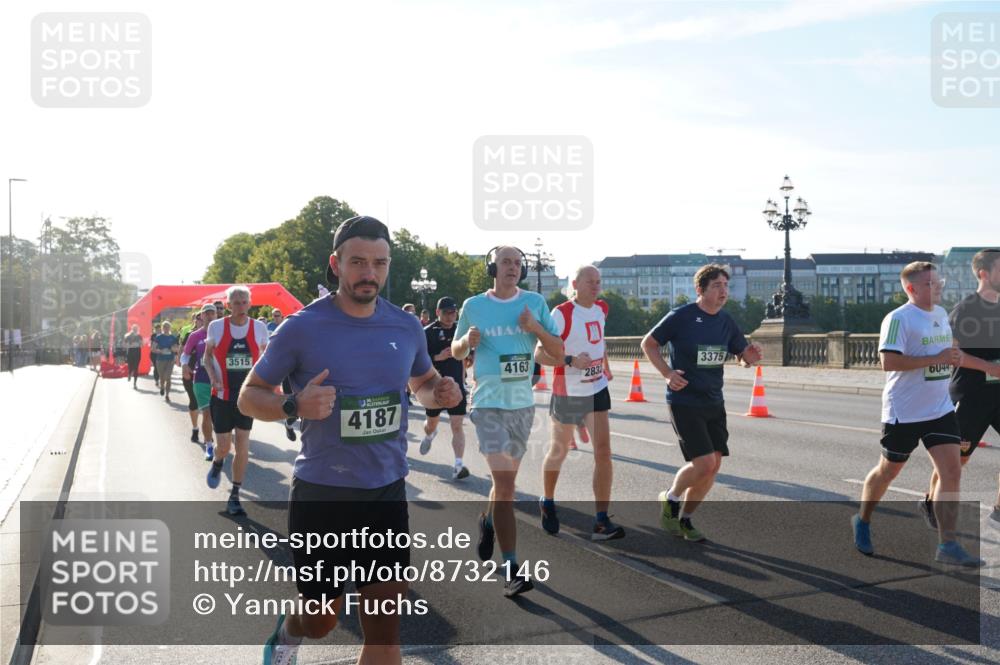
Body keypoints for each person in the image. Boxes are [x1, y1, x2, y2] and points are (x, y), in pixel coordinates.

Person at [239, 216, 461, 665]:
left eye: (379, 263)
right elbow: (249, 396)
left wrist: (437, 391)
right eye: (357, 262)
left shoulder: (404, 326)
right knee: (321, 620)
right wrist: (293, 405)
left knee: (384, 632)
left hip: (385, 490)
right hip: (323, 494)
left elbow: (421, 380)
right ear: (336, 264)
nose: (369, 273)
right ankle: (288, 631)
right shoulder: (302, 327)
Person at [852, 261, 983, 566]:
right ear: (911, 288)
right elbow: (888, 362)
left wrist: (951, 357)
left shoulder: (939, 314)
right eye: (930, 284)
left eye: (938, 282)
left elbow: (944, 353)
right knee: (888, 471)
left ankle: (947, 544)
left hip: (940, 409)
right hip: (904, 412)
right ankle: (863, 519)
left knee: (952, 471)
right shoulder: (898, 319)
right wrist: (935, 357)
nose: (937, 287)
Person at [452, 246, 564, 598]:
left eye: (518, 263)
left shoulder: (534, 304)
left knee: (503, 486)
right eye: (506, 262)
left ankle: (487, 521)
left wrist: (535, 329)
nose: (513, 267)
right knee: (506, 486)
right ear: (493, 268)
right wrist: (465, 343)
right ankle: (513, 568)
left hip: (522, 406)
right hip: (486, 403)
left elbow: (558, 353)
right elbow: (455, 351)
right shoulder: (474, 306)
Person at [641, 264, 762, 542]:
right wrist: (667, 374)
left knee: (714, 465)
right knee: (705, 463)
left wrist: (750, 356)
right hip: (685, 400)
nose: (723, 291)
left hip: (714, 400)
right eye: (717, 286)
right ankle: (670, 498)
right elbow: (649, 344)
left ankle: (685, 519)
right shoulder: (681, 317)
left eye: (726, 286)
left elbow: (742, 357)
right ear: (701, 289)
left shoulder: (726, 321)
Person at [535, 265, 622, 540]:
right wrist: (571, 361)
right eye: (589, 282)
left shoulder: (602, 309)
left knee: (604, 452)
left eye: (598, 281)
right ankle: (547, 501)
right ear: (575, 283)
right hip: (569, 391)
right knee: (559, 451)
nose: (595, 286)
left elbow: (600, 342)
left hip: (596, 389)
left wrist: (604, 366)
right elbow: (539, 354)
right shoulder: (561, 313)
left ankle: (600, 521)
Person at [919, 250, 1000, 528]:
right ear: (984, 274)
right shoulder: (966, 310)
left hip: (998, 396)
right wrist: (989, 367)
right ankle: (931, 501)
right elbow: (952, 353)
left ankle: (999, 510)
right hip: (970, 396)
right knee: (955, 463)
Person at [203, 286, 269, 516]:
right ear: (229, 305)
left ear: (250, 304)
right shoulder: (217, 326)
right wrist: (213, 379)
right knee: (223, 446)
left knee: (242, 443)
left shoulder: (260, 328)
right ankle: (218, 462)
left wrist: (267, 385)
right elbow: (207, 357)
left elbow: (267, 359)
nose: (240, 306)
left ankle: (235, 496)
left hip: (246, 397)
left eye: (244, 302)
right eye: (236, 302)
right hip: (222, 396)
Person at [419, 296, 470, 480]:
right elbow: (418, 361)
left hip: (456, 386)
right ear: (437, 313)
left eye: (453, 312)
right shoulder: (427, 332)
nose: (450, 316)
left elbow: (468, 358)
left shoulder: (460, 331)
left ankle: (458, 465)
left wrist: (466, 377)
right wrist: (437, 357)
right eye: (447, 312)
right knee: (431, 424)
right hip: (434, 387)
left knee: (457, 425)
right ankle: (430, 434)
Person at [181, 303, 218, 460]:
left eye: (212, 313)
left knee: (220, 415)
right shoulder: (195, 335)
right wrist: (184, 365)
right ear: (201, 316)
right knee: (207, 414)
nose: (209, 316)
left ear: (216, 315)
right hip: (202, 379)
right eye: (206, 313)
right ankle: (209, 445)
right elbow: (186, 354)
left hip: (221, 379)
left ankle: (220, 440)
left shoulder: (223, 332)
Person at [267, 308, 297, 441]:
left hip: (304, 375)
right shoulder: (277, 335)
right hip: (288, 375)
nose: (275, 318)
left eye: (277, 316)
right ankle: (289, 424)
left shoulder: (304, 335)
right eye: (274, 316)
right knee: (294, 409)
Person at [179, 313, 203, 440]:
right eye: (200, 319)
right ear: (196, 320)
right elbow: (183, 351)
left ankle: (210, 434)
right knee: (194, 401)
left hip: (207, 374)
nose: (203, 321)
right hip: (191, 371)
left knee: (209, 406)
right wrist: (182, 365)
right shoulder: (190, 335)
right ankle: (195, 428)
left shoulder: (214, 333)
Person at [151, 322, 179, 401]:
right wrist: (160, 351)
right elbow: (153, 349)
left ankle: (167, 395)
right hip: (160, 360)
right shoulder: (158, 337)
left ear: (170, 328)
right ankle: (162, 387)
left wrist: (173, 349)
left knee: (168, 377)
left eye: (168, 327)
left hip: (170, 360)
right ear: (162, 328)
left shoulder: (173, 338)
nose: (166, 328)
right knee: (162, 377)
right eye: (165, 327)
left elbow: (177, 348)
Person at [123, 324, 143, 389]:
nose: (135, 330)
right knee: (130, 366)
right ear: (132, 329)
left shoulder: (139, 336)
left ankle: (135, 383)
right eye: (134, 329)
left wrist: (139, 343)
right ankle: (129, 373)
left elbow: (142, 345)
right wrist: (129, 344)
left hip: (137, 352)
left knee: (136, 367)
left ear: (137, 329)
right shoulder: (128, 335)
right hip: (130, 352)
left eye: (136, 329)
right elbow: (124, 345)